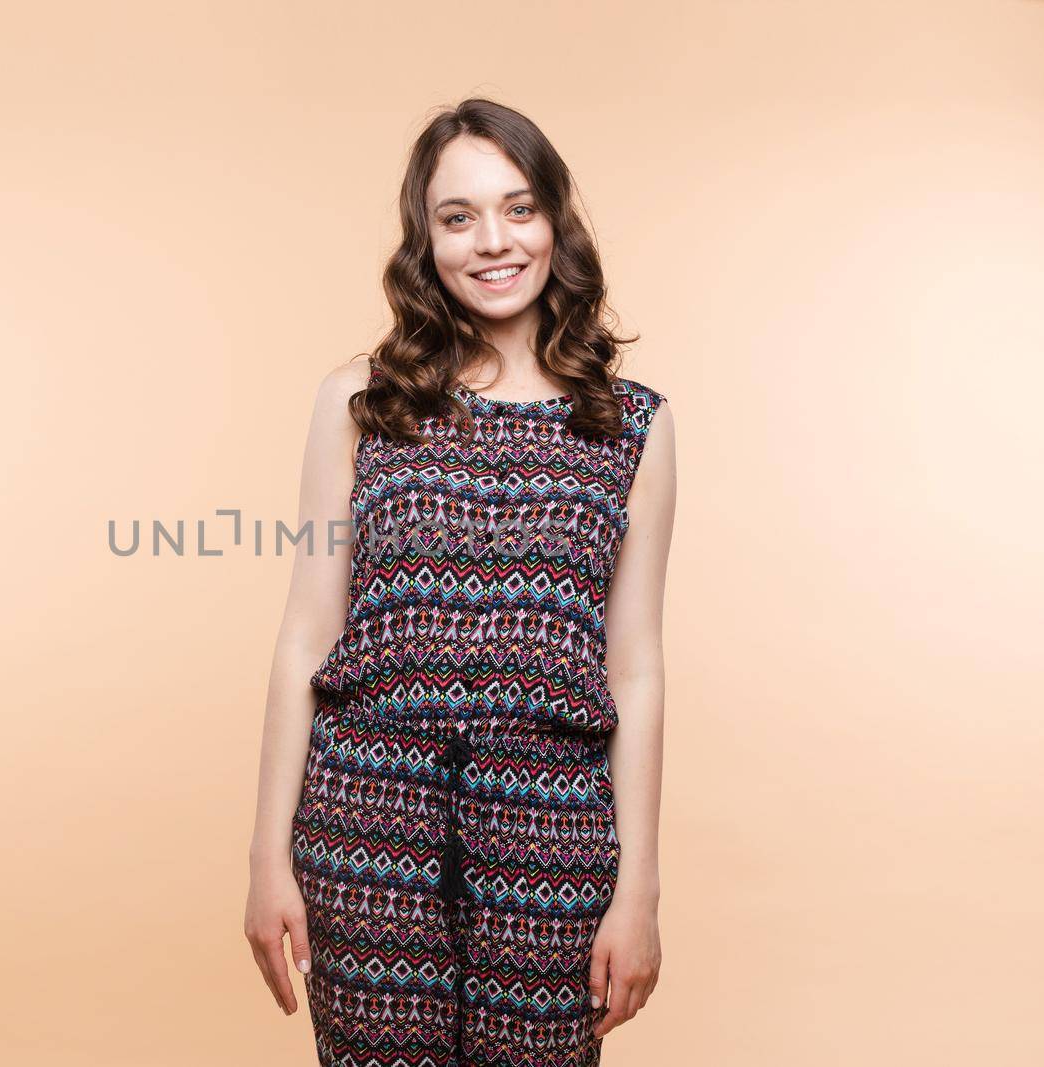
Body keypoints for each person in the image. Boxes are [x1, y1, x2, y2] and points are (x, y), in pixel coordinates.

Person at [244, 97, 675, 1066]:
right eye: (457, 215)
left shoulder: (631, 423)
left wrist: (638, 886)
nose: (492, 240)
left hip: (553, 826)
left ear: (555, 221)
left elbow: (634, 664)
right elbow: (305, 635)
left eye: (517, 208)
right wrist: (267, 856)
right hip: (365, 820)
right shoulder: (358, 401)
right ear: (424, 236)